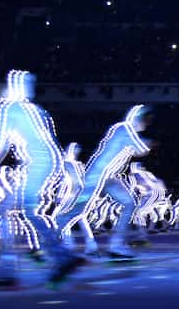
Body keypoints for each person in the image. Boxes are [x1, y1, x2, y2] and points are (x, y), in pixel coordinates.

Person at [0, 70, 85, 288]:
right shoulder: (37, 110)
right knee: (27, 212)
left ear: (11, 86)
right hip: (50, 163)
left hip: (36, 165)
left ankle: (8, 268)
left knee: (4, 212)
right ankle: (61, 257)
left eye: (3, 84)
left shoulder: (7, 107)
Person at [56, 105, 152, 260]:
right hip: (97, 176)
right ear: (137, 117)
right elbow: (141, 149)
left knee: (129, 202)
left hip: (110, 177)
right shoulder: (124, 128)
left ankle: (116, 245)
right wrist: (152, 142)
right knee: (77, 211)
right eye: (145, 119)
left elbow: (135, 149)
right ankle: (48, 241)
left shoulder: (129, 133)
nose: (146, 124)